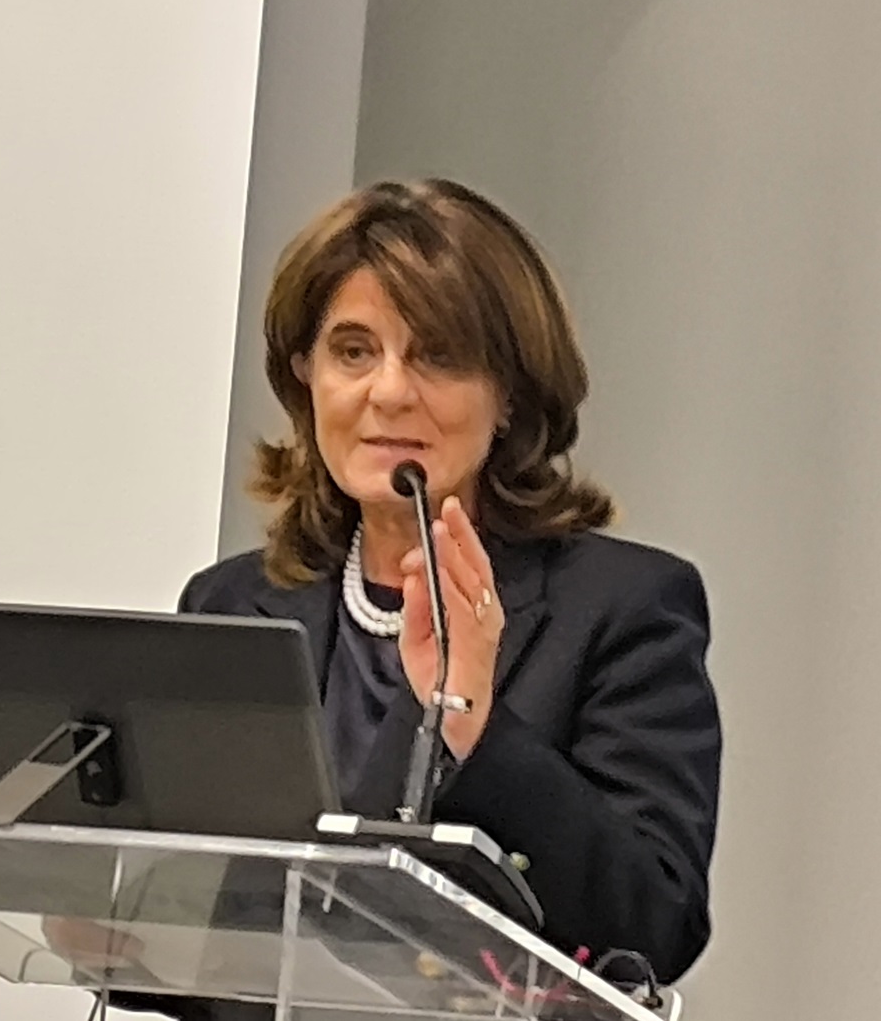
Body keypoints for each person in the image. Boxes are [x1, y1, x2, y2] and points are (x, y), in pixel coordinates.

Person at [51, 177, 721, 995]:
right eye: (353, 350)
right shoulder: (229, 609)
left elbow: (658, 922)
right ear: (306, 376)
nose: (391, 391)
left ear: (509, 396)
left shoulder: (623, 608)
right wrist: (122, 944)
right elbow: (228, 949)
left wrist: (475, 729)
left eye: (438, 355)